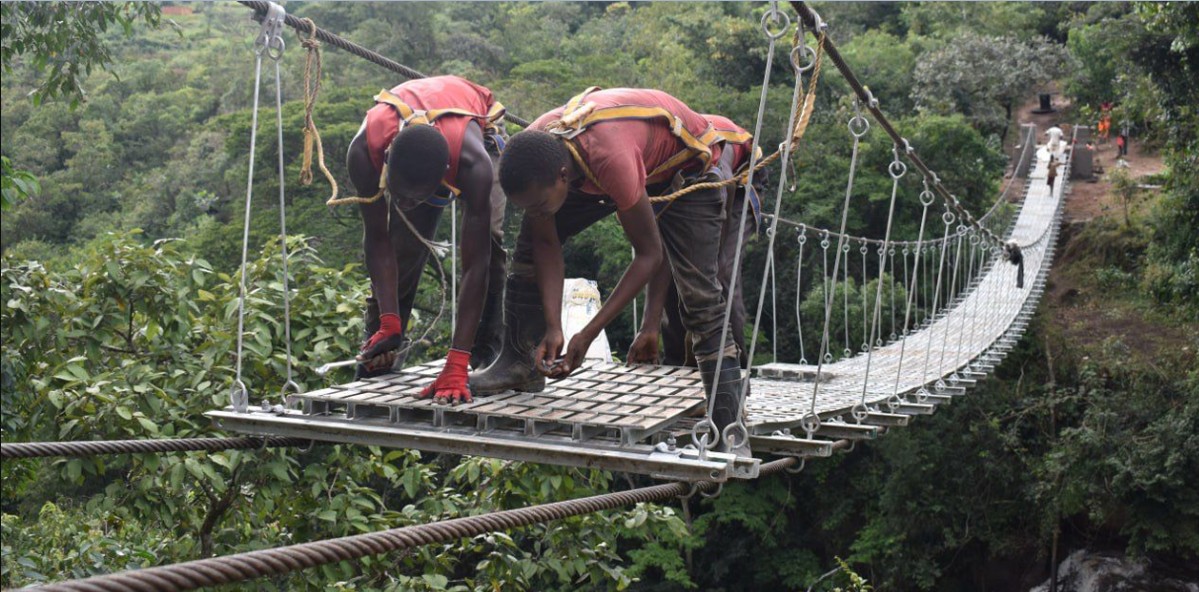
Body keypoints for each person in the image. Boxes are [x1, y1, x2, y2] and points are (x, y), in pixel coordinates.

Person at [470, 87, 751, 456]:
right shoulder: (536, 149)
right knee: (526, 248)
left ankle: (727, 423)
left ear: (562, 176)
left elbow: (649, 255)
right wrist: (554, 327)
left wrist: (587, 334)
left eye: (538, 204)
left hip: (691, 168)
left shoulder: (610, 157)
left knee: (700, 296)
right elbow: (545, 245)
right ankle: (519, 363)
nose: (535, 212)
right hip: (617, 166)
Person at [345, 75, 508, 404]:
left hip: (474, 131)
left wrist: (456, 362)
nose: (403, 204)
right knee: (403, 244)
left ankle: (481, 355)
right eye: (398, 196)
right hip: (416, 146)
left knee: (488, 241)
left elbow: (476, 265)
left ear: (444, 177)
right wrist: (389, 318)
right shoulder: (365, 149)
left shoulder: (474, 165)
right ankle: (383, 344)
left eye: (413, 197)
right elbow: (377, 239)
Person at [627, 113, 763, 370]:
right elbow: (658, 253)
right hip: (684, 180)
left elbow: (726, 192)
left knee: (718, 276)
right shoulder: (646, 165)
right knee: (680, 272)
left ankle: (733, 371)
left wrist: (709, 264)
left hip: (741, 179)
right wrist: (649, 326)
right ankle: (678, 364)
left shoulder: (708, 165)